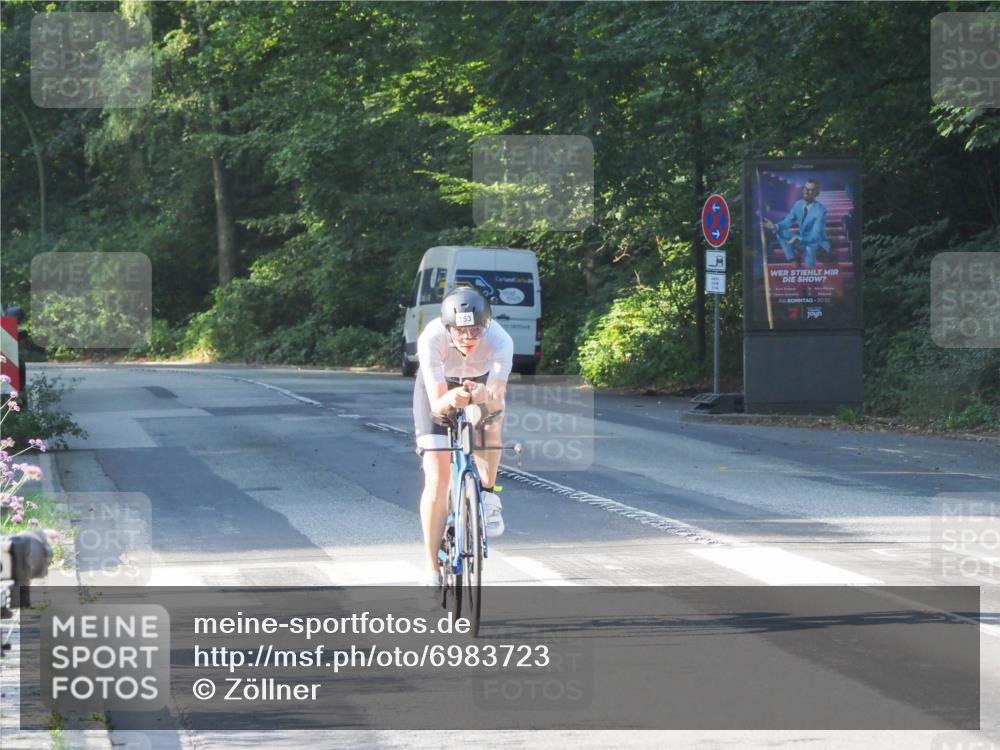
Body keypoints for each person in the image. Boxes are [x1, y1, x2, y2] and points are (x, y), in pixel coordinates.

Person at [412, 286, 511, 587]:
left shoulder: (500, 340)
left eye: (476, 331)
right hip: (440, 388)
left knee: (492, 421)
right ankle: (431, 567)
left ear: (487, 325)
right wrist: (452, 400)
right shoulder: (431, 337)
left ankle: (489, 493)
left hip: (481, 383)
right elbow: (438, 403)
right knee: (438, 477)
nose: (468, 339)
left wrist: (483, 398)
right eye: (460, 332)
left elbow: (496, 400)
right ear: (447, 328)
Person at [762, 179, 830, 268]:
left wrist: (799, 239)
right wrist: (775, 226)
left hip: (818, 243)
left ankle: (809, 275)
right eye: (805, 188)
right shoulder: (798, 204)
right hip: (802, 241)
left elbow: (815, 236)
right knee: (779, 231)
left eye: (811, 190)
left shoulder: (821, 210)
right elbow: (787, 221)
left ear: (816, 194)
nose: (806, 191)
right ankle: (793, 260)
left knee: (810, 247)